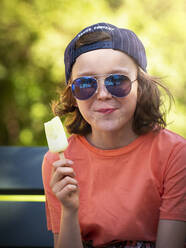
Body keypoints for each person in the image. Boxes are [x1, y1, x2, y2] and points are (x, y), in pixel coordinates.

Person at [42, 23, 186, 248]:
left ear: (141, 85)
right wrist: (69, 211)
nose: (102, 94)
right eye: (86, 84)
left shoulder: (174, 154)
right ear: (72, 94)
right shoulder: (59, 164)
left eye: (117, 81)